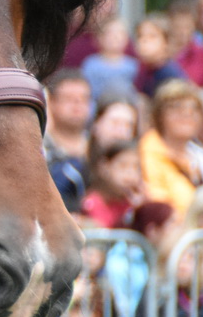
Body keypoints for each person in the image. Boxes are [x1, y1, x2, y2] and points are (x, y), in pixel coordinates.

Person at [139, 78, 203, 221]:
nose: (186, 114)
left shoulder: (202, 155)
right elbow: (157, 199)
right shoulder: (147, 151)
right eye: (177, 108)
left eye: (194, 109)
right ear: (160, 114)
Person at [44, 70, 92, 211]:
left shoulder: (98, 147)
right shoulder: (39, 148)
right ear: (51, 102)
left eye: (83, 99)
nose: (77, 104)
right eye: (69, 98)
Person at [82, 139, 143, 229]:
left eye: (136, 168)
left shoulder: (135, 202)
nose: (130, 174)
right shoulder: (92, 201)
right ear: (105, 167)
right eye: (123, 166)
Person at [80, 16, 138, 103]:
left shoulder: (133, 65)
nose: (116, 37)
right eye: (110, 33)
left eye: (120, 33)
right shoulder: (91, 65)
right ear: (99, 38)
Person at [134, 13, 189, 96]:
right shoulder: (143, 72)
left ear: (166, 42)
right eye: (140, 36)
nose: (144, 41)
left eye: (152, 36)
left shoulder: (169, 75)